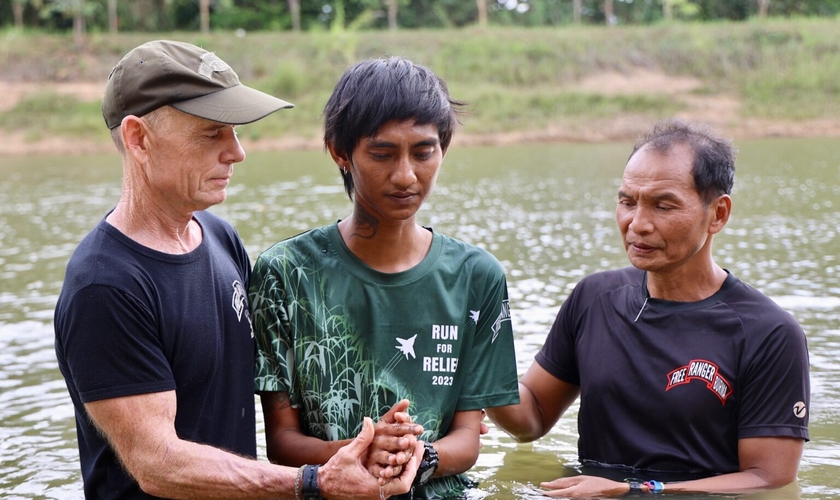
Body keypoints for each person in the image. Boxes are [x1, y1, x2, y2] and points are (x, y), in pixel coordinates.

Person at [54, 40, 424, 500]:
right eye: (212, 134)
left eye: (235, 131)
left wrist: (358, 448)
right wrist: (314, 483)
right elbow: (159, 464)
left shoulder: (219, 238)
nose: (237, 152)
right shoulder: (106, 285)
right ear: (138, 139)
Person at [486, 119, 810, 497]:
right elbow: (532, 416)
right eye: (627, 202)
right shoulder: (594, 298)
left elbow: (768, 478)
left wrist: (636, 491)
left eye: (663, 205)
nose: (637, 224)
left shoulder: (768, 333)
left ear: (717, 214)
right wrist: (477, 358)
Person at [249, 56, 520, 499]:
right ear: (341, 152)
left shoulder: (476, 276)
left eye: (423, 152)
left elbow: (468, 438)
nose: (406, 176)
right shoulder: (285, 272)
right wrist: (359, 452)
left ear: (443, 149)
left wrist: (420, 458)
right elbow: (282, 442)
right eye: (382, 154)